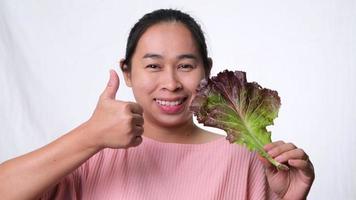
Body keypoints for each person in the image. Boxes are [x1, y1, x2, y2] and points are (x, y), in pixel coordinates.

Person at [0, 9, 314, 200]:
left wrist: (290, 199)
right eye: (153, 66)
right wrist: (89, 136)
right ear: (127, 72)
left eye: (186, 66)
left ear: (206, 69)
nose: (171, 83)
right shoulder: (92, 154)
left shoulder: (246, 159)